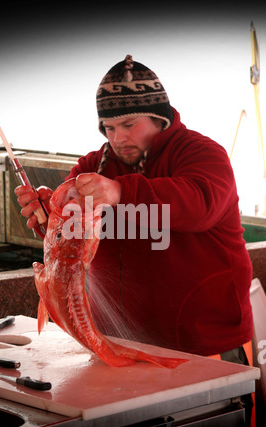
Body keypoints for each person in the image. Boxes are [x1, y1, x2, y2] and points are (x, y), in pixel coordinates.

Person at [15, 54, 253, 362]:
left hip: (205, 344)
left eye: (129, 124)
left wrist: (120, 191)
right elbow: (69, 243)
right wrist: (50, 215)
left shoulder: (202, 153)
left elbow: (200, 204)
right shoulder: (93, 165)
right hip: (114, 340)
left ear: (159, 118)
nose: (118, 138)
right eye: (109, 128)